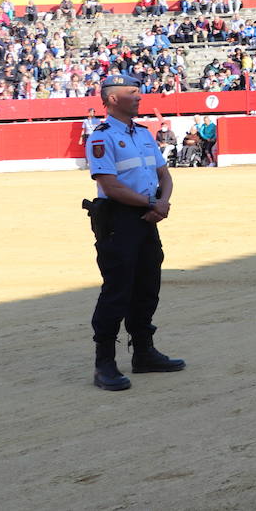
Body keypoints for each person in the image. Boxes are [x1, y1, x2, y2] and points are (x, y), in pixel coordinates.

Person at [83, 73, 185, 391]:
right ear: (113, 99)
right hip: (120, 220)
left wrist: (161, 203)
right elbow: (109, 186)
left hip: (148, 217)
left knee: (147, 286)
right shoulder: (102, 137)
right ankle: (105, 364)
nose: (140, 97)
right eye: (133, 92)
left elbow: (164, 175)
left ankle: (143, 353)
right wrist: (152, 203)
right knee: (117, 290)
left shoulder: (142, 134)